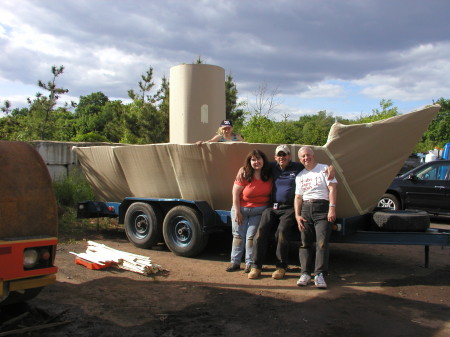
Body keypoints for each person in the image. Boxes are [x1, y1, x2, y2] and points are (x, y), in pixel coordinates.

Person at [248, 145, 335, 280]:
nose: (282, 157)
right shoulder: (271, 167)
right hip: (272, 207)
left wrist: (331, 168)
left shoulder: (297, 167)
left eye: (285, 155)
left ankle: (281, 267)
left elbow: (313, 166)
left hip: (289, 208)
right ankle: (256, 266)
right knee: (260, 232)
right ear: (275, 157)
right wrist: (243, 170)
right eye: (279, 155)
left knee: (282, 233)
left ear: (289, 156)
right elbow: (255, 164)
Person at [294, 146, 337, 289]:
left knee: (322, 243)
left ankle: (320, 275)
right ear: (300, 159)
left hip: (322, 209)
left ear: (313, 155)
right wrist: (297, 215)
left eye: (308, 155)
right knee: (305, 243)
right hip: (306, 209)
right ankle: (305, 273)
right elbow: (298, 197)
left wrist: (332, 208)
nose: (306, 158)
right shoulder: (300, 175)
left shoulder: (324, 169)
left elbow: (332, 189)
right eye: (303, 157)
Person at [226, 149, 272, 273]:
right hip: (241, 209)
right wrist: (237, 212)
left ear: (263, 160)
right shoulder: (245, 174)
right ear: (249, 162)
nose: (256, 162)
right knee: (238, 236)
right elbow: (235, 193)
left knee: (251, 237)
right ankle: (235, 262)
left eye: (258, 159)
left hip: (258, 211)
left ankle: (249, 263)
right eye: (253, 160)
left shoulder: (269, 174)